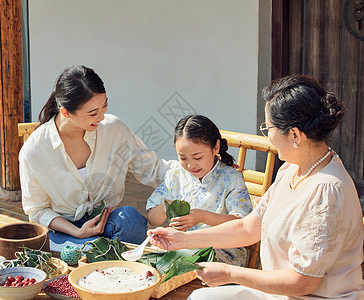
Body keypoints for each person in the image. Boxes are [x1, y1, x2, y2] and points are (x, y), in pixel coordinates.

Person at [149, 75, 364, 299]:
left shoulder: (327, 191)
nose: (267, 135)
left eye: (268, 128)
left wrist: (229, 273)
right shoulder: (291, 170)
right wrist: (180, 239)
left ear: (294, 134)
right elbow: (248, 228)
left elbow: (302, 282)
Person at [19, 65, 175, 251]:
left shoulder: (113, 129)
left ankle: (104, 254)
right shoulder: (34, 150)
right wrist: (76, 232)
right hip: (66, 232)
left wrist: (194, 166)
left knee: (131, 220)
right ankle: (105, 254)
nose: (101, 116)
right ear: (66, 112)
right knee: (83, 251)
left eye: (104, 106)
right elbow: (37, 210)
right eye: (93, 113)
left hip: (106, 222)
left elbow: (153, 170)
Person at [146, 115, 253, 266]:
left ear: (215, 147)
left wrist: (203, 216)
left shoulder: (231, 178)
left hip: (220, 252)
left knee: (178, 260)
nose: (190, 165)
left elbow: (243, 223)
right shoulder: (176, 175)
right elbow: (152, 218)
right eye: (183, 158)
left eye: (197, 157)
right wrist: (166, 206)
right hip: (181, 247)